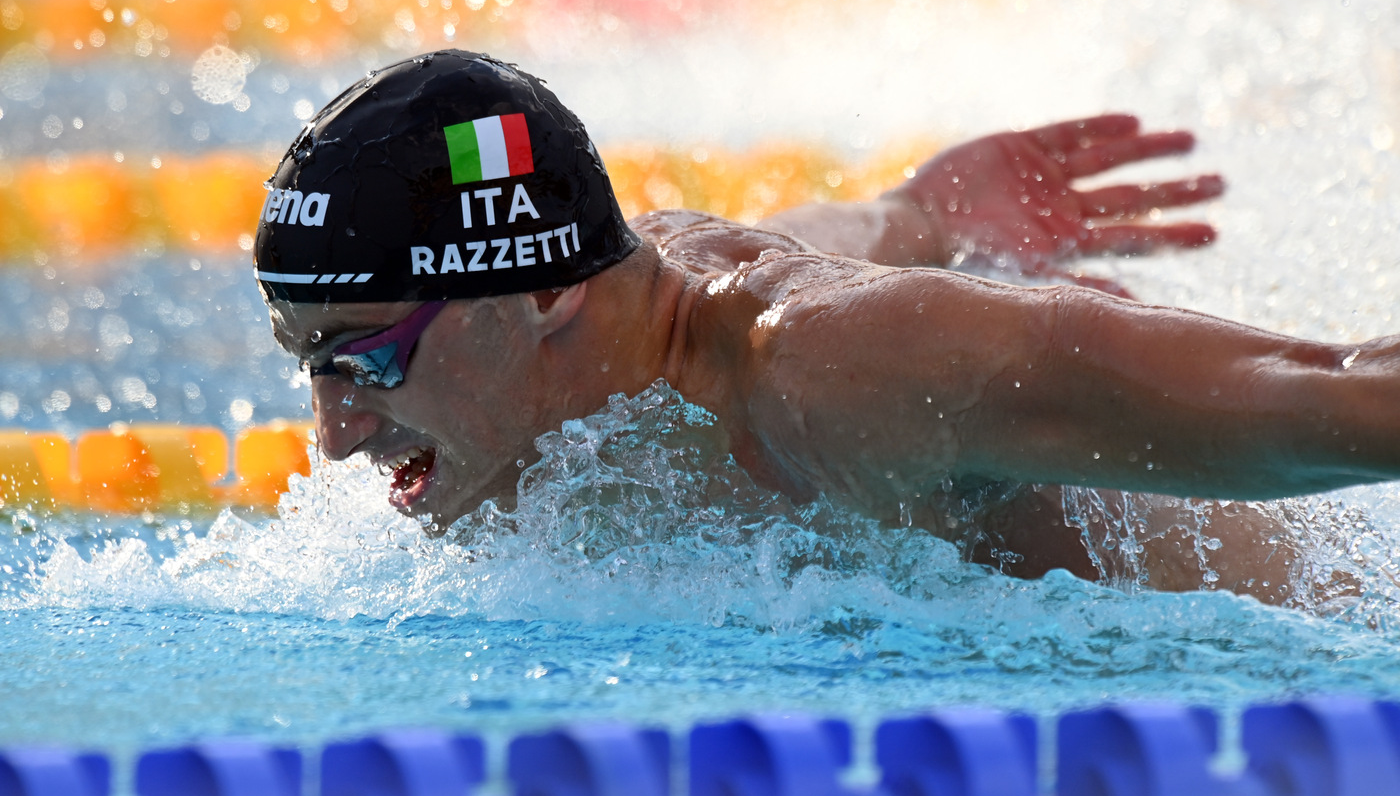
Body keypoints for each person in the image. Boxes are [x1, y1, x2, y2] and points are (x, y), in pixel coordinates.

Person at [255, 50, 1397, 606]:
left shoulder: (837, 377)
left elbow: (1341, 392)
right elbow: (780, 244)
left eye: (366, 359)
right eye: (306, 364)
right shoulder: (598, 349)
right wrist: (916, 213)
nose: (336, 434)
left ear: (543, 295)